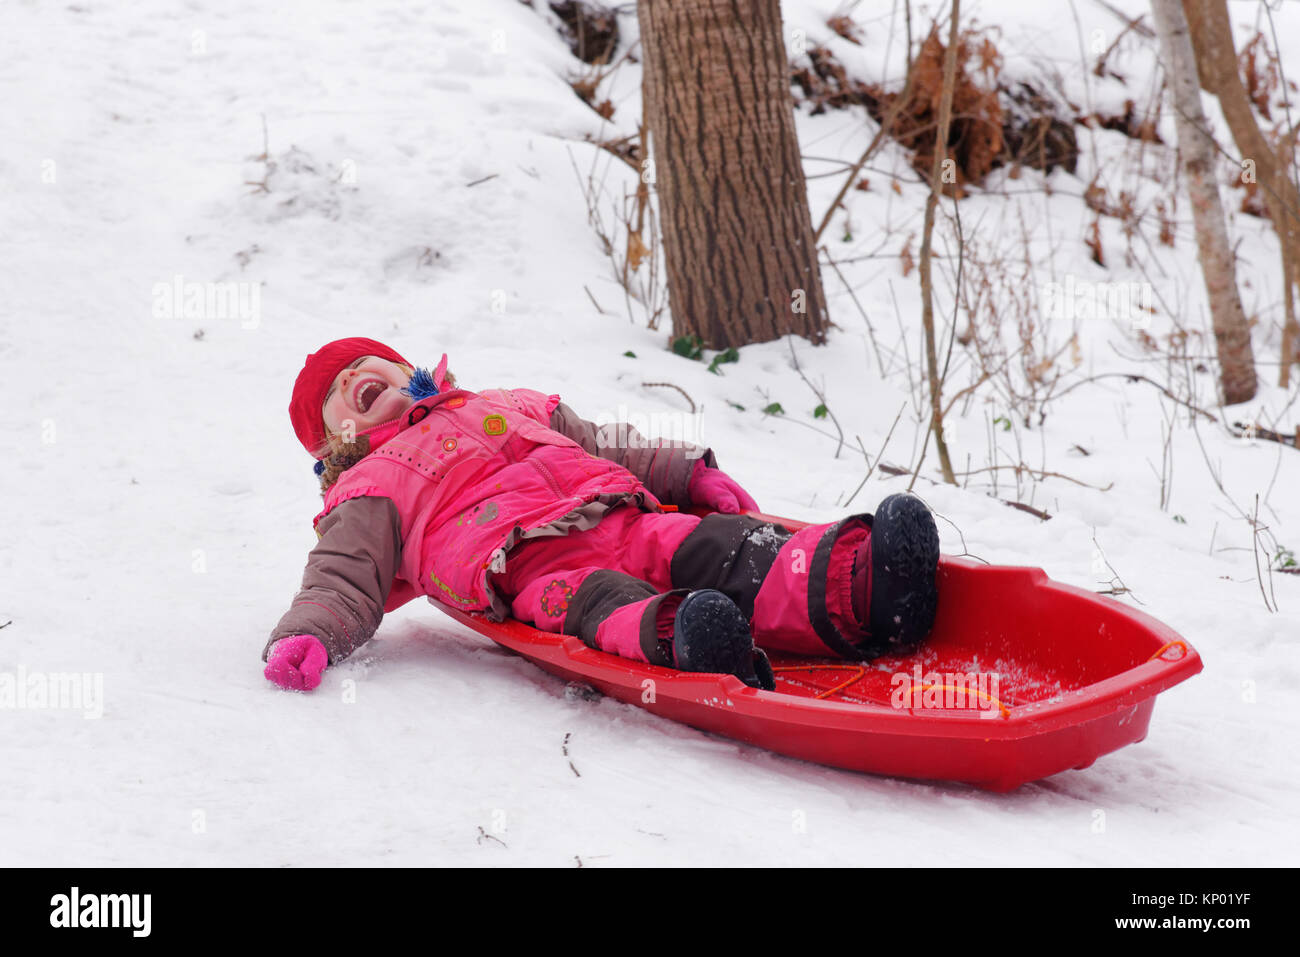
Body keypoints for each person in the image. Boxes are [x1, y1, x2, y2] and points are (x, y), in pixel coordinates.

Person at [263, 337, 940, 693]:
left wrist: (686, 471)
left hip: (624, 516)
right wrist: (313, 633)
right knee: (604, 606)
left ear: (407, 366)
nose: (355, 377)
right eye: (340, 394)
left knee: (725, 544)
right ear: (337, 445)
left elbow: (605, 440)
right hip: (535, 568)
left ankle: (865, 581)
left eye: (365, 363)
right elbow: (341, 575)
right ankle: (694, 640)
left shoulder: (502, 402)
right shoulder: (368, 487)